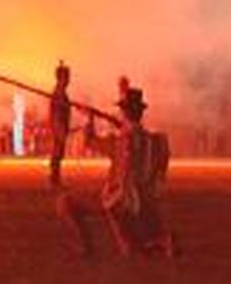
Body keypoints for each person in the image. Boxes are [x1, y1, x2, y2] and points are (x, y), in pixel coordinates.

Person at [83, 84, 177, 257]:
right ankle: (157, 241)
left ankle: (87, 249)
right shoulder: (153, 141)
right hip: (146, 200)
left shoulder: (121, 142)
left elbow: (89, 141)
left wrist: (89, 120)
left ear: (124, 113)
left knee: (65, 203)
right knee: (132, 246)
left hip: (121, 202)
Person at [47, 61, 72, 187]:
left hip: (60, 125)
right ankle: (54, 178)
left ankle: (55, 178)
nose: (69, 79)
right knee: (57, 152)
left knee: (59, 152)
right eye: (67, 76)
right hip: (58, 125)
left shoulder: (60, 92)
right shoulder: (58, 92)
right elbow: (57, 112)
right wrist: (60, 128)